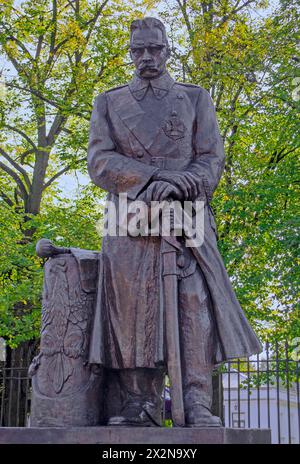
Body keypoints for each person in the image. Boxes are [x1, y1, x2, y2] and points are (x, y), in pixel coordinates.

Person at [87, 17, 261, 427]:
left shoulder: (194, 98)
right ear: (130, 53)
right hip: (129, 216)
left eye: (154, 48)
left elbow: (211, 157)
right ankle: (140, 403)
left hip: (188, 214)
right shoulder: (109, 102)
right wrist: (155, 178)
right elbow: (99, 161)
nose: (146, 56)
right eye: (138, 50)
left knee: (193, 306)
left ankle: (196, 401)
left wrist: (186, 182)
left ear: (167, 50)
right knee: (132, 312)